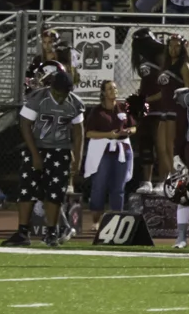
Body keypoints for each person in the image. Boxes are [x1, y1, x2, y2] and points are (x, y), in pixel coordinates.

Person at [17, 66, 86, 247]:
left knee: (55, 194)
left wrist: (77, 158)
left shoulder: (74, 103)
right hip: (38, 147)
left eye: (64, 93)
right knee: (27, 190)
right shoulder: (38, 99)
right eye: (57, 92)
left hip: (60, 150)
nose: (60, 97)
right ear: (51, 88)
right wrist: (34, 154)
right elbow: (25, 125)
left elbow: (79, 133)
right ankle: (22, 232)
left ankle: (51, 233)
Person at [82, 79, 136, 236]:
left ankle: (116, 220)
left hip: (122, 150)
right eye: (110, 89)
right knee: (99, 185)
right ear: (104, 93)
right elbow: (89, 133)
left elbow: (133, 126)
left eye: (115, 88)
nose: (113, 91)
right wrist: (108, 135)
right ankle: (96, 221)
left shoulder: (124, 108)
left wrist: (129, 132)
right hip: (103, 151)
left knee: (118, 187)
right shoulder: (97, 111)